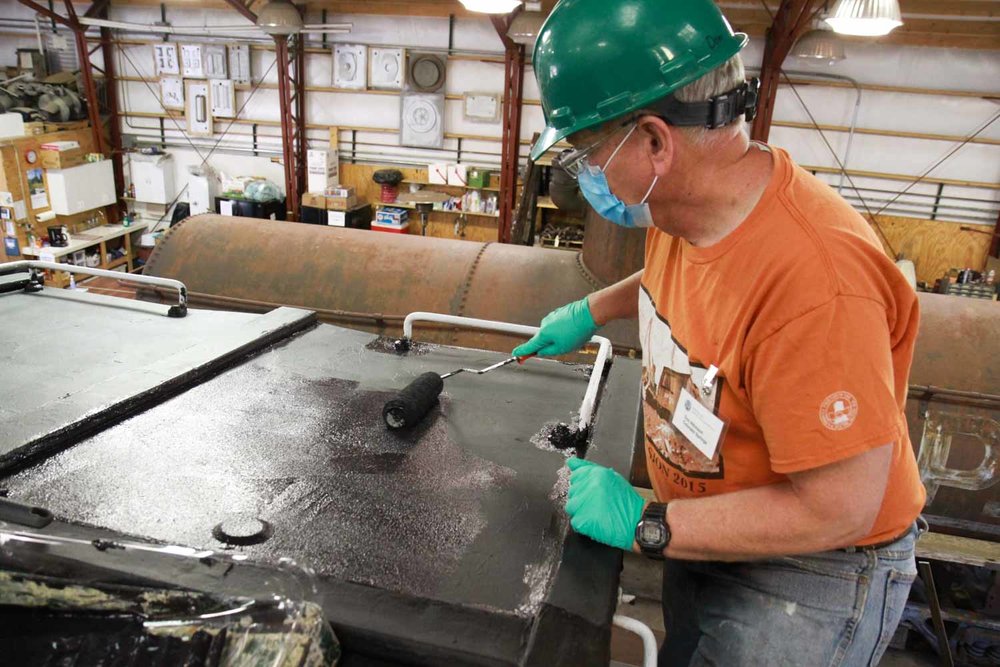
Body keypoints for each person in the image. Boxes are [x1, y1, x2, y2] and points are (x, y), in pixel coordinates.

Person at [512, 0, 926, 664]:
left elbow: (840, 506)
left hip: (805, 575)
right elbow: (688, 274)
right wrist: (595, 309)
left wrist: (646, 522)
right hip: (706, 533)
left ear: (653, 141)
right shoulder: (692, 209)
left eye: (588, 152)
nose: (584, 173)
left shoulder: (816, 284)